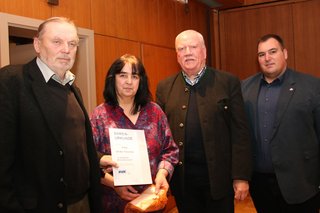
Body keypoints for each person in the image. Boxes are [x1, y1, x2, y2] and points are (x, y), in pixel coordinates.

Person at [0, 17, 102, 213]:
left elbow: (69, 143)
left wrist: (97, 159)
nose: (66, 49)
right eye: (57, 41)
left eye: (72, 43)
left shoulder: (73, 89)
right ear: (37, 44)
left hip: (82, 203)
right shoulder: (11, 82)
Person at [156, 29, 252, 213]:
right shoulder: (164, 87)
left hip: (219, 180)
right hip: (184, 182)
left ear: (204, 52)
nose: (188, 52)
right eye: (182, 49)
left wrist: (241, 176)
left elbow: (240, 133)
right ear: (177, 55)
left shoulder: (228, 82)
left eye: (193, 47)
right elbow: (161, 136)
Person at [90, 54, 179, 213]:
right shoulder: (99, 116)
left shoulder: (155, 112)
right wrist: (114, 184)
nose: (129, 82)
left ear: (141, 81)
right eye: (123, 75)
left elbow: (170, 151)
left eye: (135, 76)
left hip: (152, 201)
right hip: (113, 202)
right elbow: (88, 158)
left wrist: (162, 174)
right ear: (113, 79)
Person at [241, 34, 320, 212]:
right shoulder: (244, 88)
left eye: (272, 51)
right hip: (260, 184)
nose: (267, 58)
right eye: (261, 54)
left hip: (302, 183)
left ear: (284, 53)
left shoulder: (312, 86)